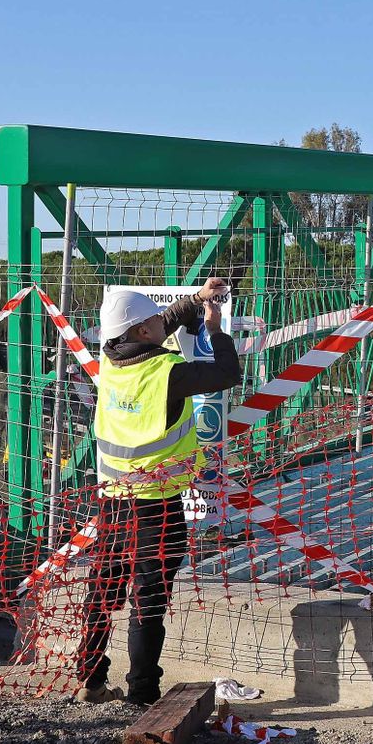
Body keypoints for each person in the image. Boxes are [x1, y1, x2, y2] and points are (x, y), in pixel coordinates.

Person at [77, 275, 241, 705]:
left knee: (104, 589)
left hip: (112, 502)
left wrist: (197, 298)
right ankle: (142, 694)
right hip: (156, 507)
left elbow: (160, 323)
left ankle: (91, 679)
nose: (160, 322)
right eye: (151, 320)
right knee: (148, 600)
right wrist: (215, 328)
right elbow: (228, 372)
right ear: (141, 331)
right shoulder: (166, 373)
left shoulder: (110, 359)